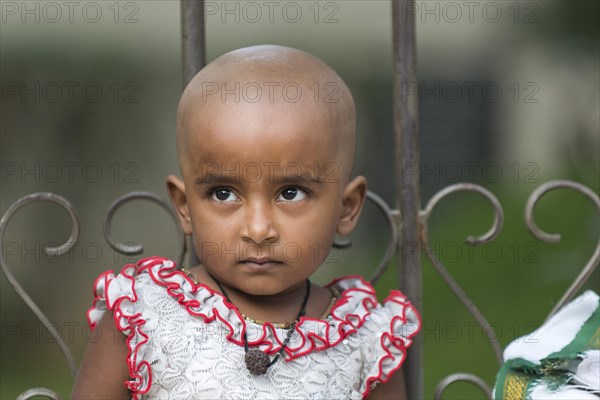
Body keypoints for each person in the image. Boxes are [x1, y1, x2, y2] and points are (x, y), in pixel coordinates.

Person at [71, 44, 421, 399]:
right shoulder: (144, 317)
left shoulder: (365, 340)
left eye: (291, 193)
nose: (257, 230)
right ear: (185, 206)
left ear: (346, 208)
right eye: (223, 193)